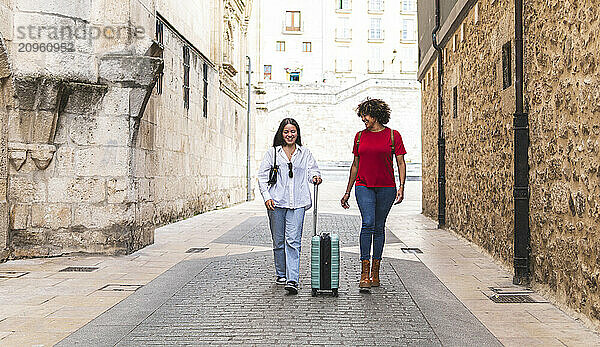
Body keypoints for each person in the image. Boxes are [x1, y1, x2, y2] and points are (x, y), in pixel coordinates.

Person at [341, 98, 407, 289]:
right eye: (362, 115)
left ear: (376, 115)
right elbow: (355, 165)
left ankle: (375, 272)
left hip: (387, 187)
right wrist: (347, 191)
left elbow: (401, 163)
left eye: (366, 115)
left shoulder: (393, 136)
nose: (363, 119)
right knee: (368, 223)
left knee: (379, 227)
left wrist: (401, 186)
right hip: (364, 186)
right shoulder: (359, 136)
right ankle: (364, 272)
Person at [258, 118, 322, 294]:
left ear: (297, 133)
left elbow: (312, 170)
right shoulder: (273, 153)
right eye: (286, 131)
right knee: (278, 241)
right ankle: (281, 273)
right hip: (276, 202)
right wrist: (266, 197)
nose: (289, 135)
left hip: (298, 202)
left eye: (292, 131)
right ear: (281, 133)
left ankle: (292, 279)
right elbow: (262, 177)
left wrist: (315, 177)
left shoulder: (305, 153)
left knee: (293, 241)